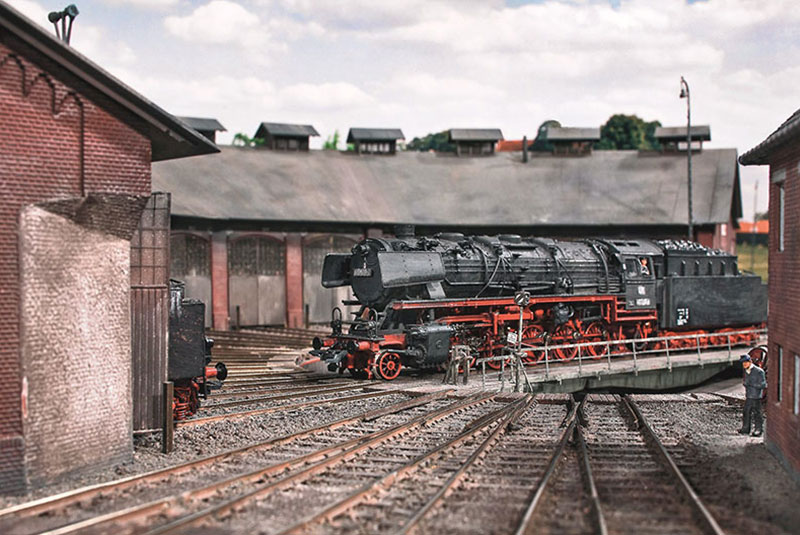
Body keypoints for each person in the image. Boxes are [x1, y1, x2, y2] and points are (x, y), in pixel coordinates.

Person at [738, 354, 767, 437]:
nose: (744, 365)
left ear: (750, 362)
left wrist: (751, 384)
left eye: (745, 363)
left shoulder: (759, 371)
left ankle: (758, 429)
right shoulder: (747, 371)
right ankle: (746, 428)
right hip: (749, 396)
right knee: (746, 412)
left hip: (756, 396)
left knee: (757, 413)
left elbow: (763, 384)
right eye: (743, 364)